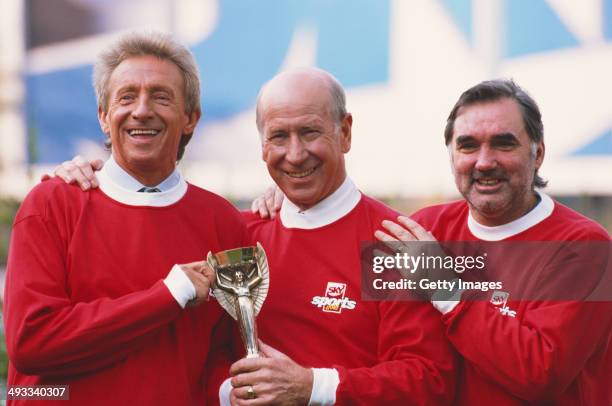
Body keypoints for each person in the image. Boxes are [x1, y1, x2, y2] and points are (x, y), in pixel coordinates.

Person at [49, 68, 458, 405]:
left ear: (345, 133)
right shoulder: (238, 234)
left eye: (311, 132)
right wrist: (228, 392)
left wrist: (311, 387)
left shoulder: (394, 245)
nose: (295, 154)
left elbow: (428, 380)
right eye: (279, 137)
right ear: (261, 145)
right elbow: (195, 352)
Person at [4, 31, 247, 405]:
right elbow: (33, 343)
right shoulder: (50, 204)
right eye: (127, 96)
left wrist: (229, 389)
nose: (142, 110)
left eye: (161, 97)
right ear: (104, 116)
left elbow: (223, 355)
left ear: (190, 118)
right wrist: (169, 294)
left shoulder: (224, 222)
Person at [376, 79, 612, 405]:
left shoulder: (585, 246)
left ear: (538, 153)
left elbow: (540, 374)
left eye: (503, 144)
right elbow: (358, 330)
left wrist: (447, 290)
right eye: (468, 145)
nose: (484, 162)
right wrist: (288, 206)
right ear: (451, 155)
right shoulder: (424, 229)